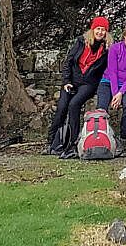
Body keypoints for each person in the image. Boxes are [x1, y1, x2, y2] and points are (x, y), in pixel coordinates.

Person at [47, 17, 111, 158]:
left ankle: (73, 141)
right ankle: (52, 142)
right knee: (62, 107)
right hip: (72, 80)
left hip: (89, 83)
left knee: (74, 105)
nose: (100, 32)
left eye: (103, 30)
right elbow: (68, 62)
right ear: (92, 29)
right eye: (98, 29)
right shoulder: (81, 42)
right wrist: (66, 81)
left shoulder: (106, 49)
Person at [97, 21, 126, 153]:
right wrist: (115, 92)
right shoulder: (115, 48)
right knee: (102, 107)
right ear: (124, 36)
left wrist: (120, 93)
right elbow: (112, 71)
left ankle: (124, 137)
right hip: (107, 81)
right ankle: (100, 136)